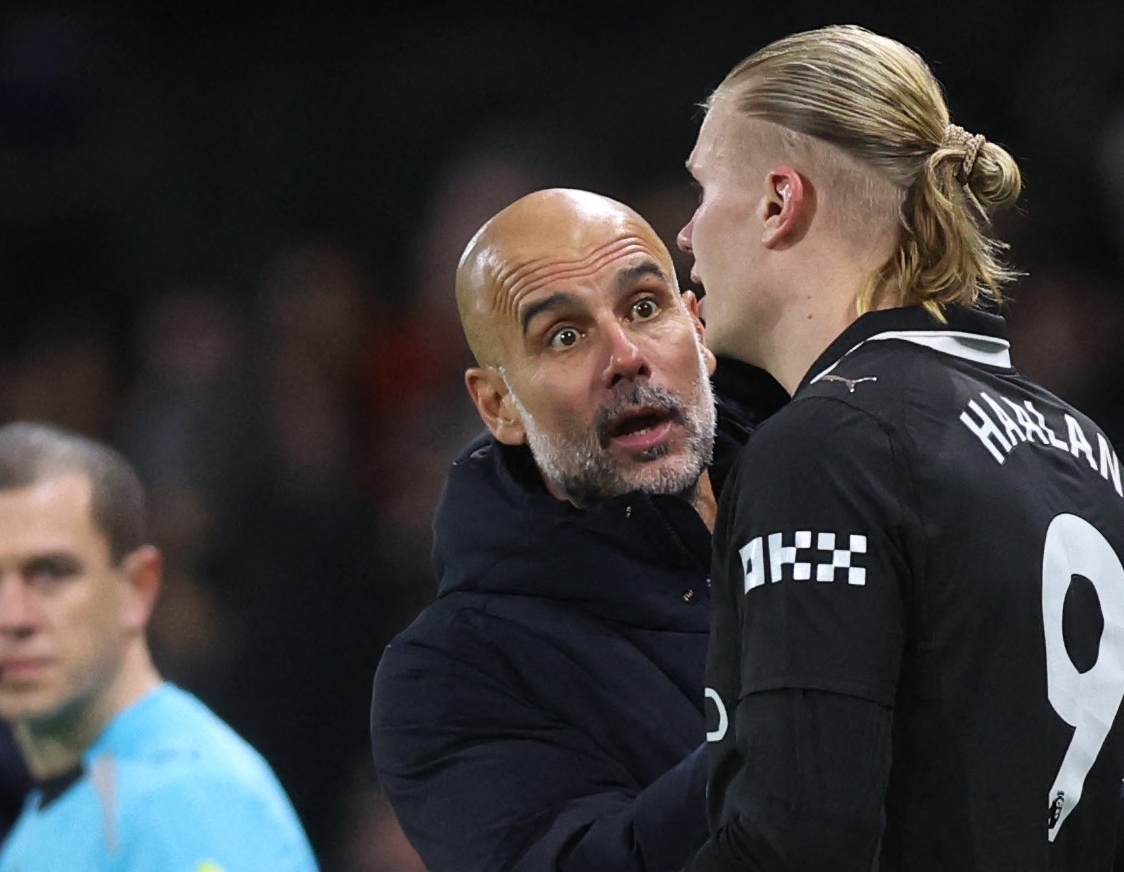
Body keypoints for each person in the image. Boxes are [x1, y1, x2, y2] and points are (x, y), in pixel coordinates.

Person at [678, 25, 1124, 870]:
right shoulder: (1083, 449)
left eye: (702, 190)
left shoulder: (828, 447)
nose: (686, 235)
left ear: (778, 201)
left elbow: (796, 839)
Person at [369, 187, 759, 871]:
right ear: (498, 406)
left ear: (699, 329)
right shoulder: (453, 676)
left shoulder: (834, 507)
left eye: (645, 307)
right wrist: (793, 716)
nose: (625, 356)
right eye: (565, 336)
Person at [0, 421, 318, 871]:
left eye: (50, 573)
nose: (12, 617)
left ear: (138, 588)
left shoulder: (191, 799)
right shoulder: (51, 821)